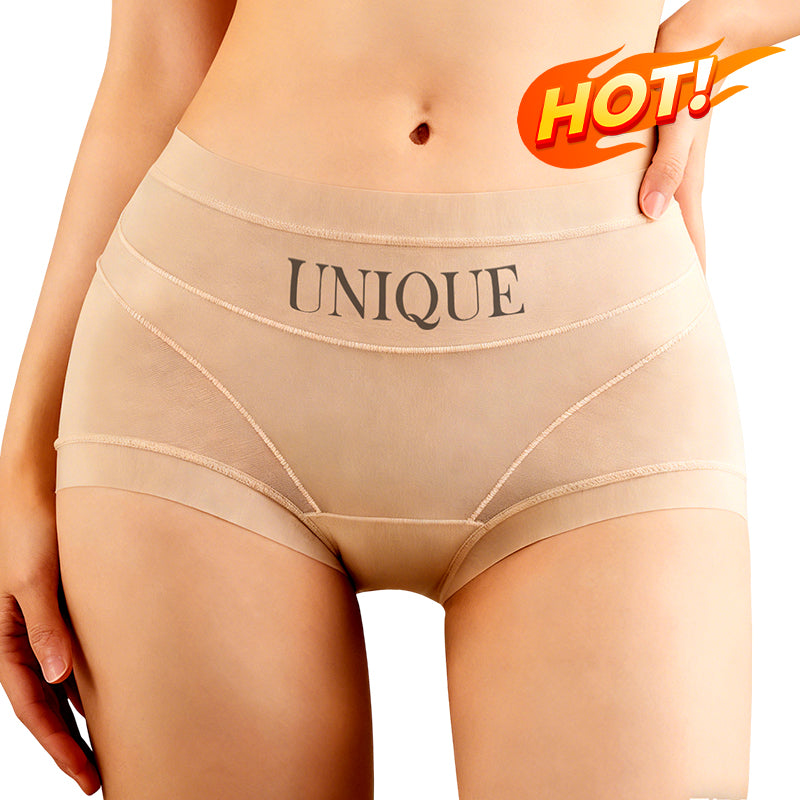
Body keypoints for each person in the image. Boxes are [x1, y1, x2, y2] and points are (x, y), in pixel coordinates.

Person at [0, 1, 798, 798]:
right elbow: (158, 64)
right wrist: (25, 464)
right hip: (205, 361)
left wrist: (713, 29)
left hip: (593, 364)